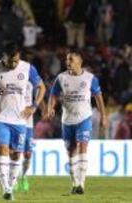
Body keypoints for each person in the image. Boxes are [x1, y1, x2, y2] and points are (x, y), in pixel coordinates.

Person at [0, 43, 46, 201]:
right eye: (10, 61)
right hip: (0, 119)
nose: (13, 64)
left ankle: (11, 186)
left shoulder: (27, 68)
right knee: (2, 150)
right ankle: (6, 189)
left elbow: (41, 86)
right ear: (3, 57)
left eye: (16, 61)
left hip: (20, 121)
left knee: (16, 154)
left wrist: (34, 106)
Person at [47, 51, 107, 194]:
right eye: (67, 60)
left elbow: (98, 97)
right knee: (71, 152)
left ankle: (81, 184)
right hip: (67, 120)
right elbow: (53, 95)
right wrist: (50, 107)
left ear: (79, 62)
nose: (68, 62)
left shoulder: (90, 78)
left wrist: (104, 116)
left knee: (82, 146)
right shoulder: (61, 78)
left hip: (84, 118)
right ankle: (74, 183)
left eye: (71, 60)